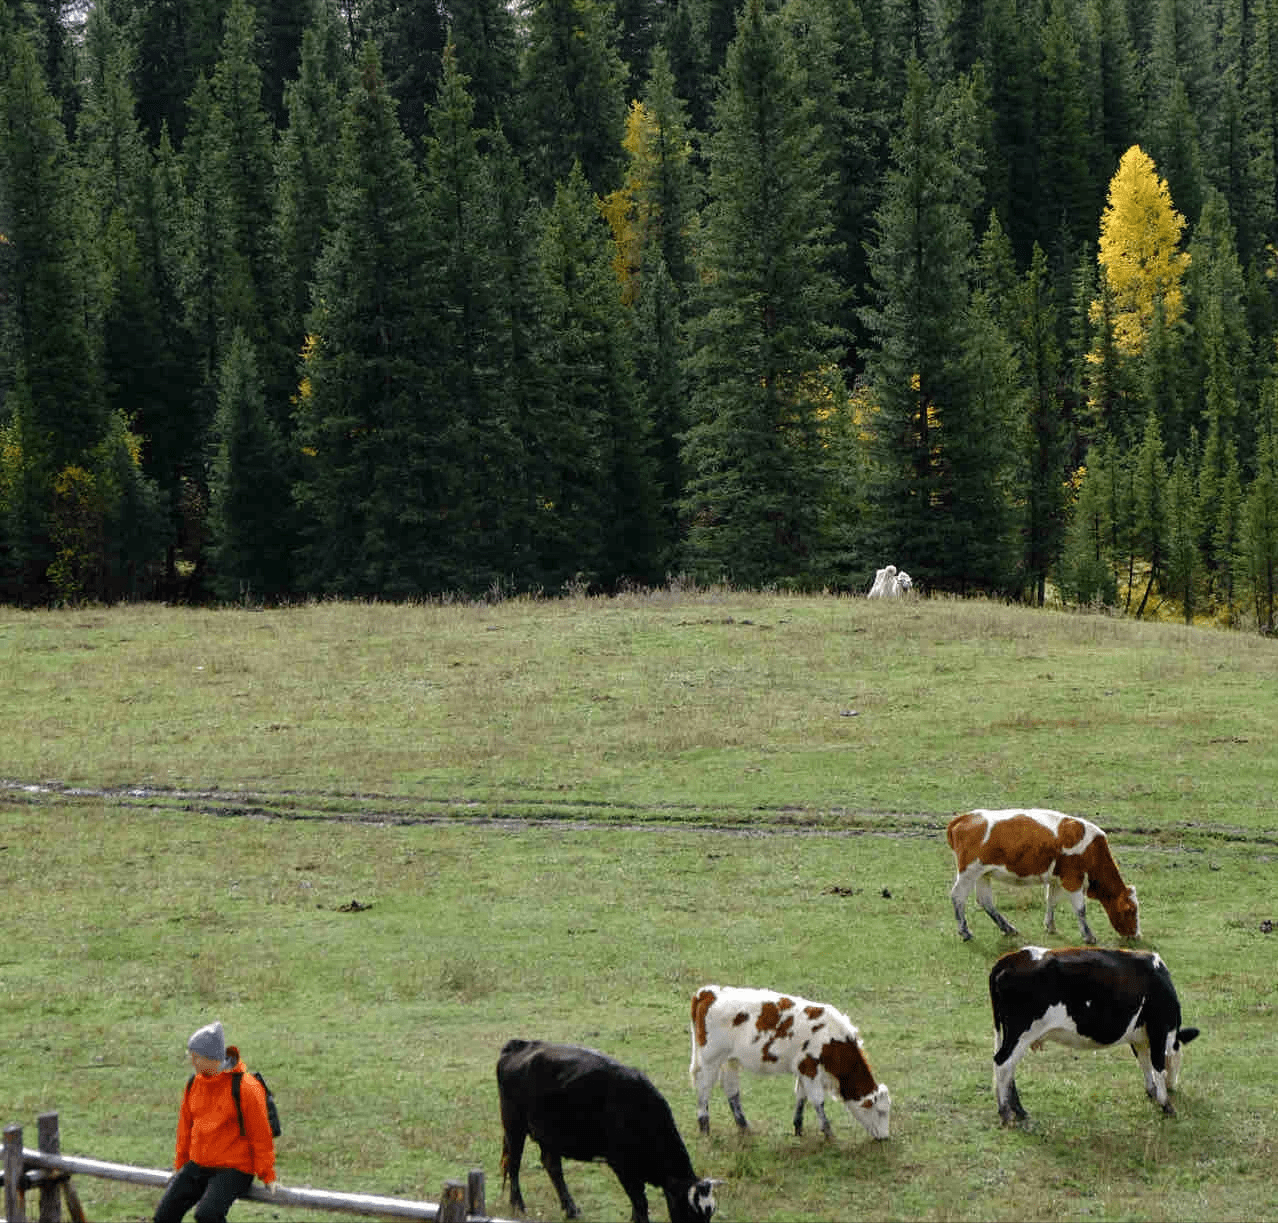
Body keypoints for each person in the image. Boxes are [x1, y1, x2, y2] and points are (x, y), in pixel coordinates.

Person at [153, 1021, 278, 1223]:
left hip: (235, 1168)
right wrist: (180, 1167)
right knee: (163, 1216)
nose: (191, 1061)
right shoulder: (194, 1084)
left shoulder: (246, 1087)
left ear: (211, 1058)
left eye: (195, 1057)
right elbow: (185, 1128)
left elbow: (260, 1133)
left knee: (207, 1215)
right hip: (199, 1164)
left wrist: (267, 1174)